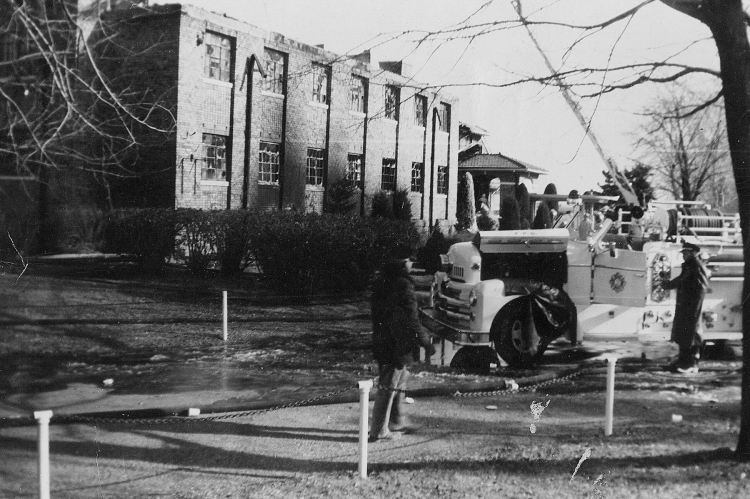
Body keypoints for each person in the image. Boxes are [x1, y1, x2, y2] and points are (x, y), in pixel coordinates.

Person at [369, 257, 436, 442]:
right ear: (400, 263)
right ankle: (379, 430)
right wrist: (426, 342)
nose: (410, 263)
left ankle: (396, 421)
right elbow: (412, 318)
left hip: (383, 339)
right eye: (407, 260)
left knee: (398, 382)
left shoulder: (381, 281)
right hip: (399, 343)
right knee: (389, 385)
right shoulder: (403, 285)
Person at [660, 242, 710, 374]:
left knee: (692, 334)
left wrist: (694, 308)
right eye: (683, 254)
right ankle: (683, 361)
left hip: (691, 307)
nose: (684, 256)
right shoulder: (689, 266)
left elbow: (701, 289)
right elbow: (681, 280)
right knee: (683, 334)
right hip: (685, 305)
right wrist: (667, 284)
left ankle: (691, 365)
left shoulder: (697, 267)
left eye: (686, 253)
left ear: (694, 253)